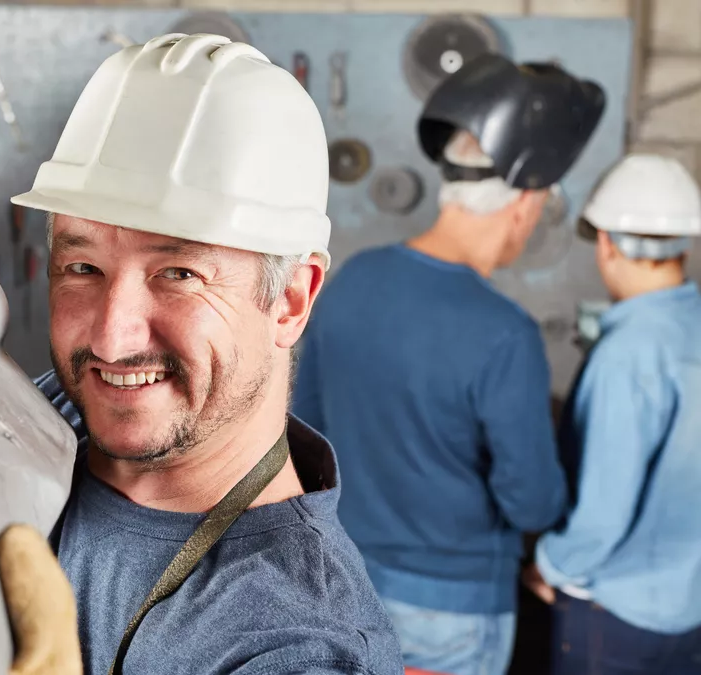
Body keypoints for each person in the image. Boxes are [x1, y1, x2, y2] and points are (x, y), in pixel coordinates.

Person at [12, 33, 403, 675]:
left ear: (290, 302)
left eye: (180, 274)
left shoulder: (298, 646)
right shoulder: (48, 415)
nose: (112, 340)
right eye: (82, 267)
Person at [290, 54, 605, 675]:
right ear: (526, 205)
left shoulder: (353, 280)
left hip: (344, 582)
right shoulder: (504, 333)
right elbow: (531, 503)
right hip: (454, 611)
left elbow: (306, 430)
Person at [525, 153, 701, 674]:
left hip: (615, 614)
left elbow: (602, 517)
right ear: (684, 245)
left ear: (605, 244)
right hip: (688, 608)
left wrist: (549, 566)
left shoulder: (628, 353)